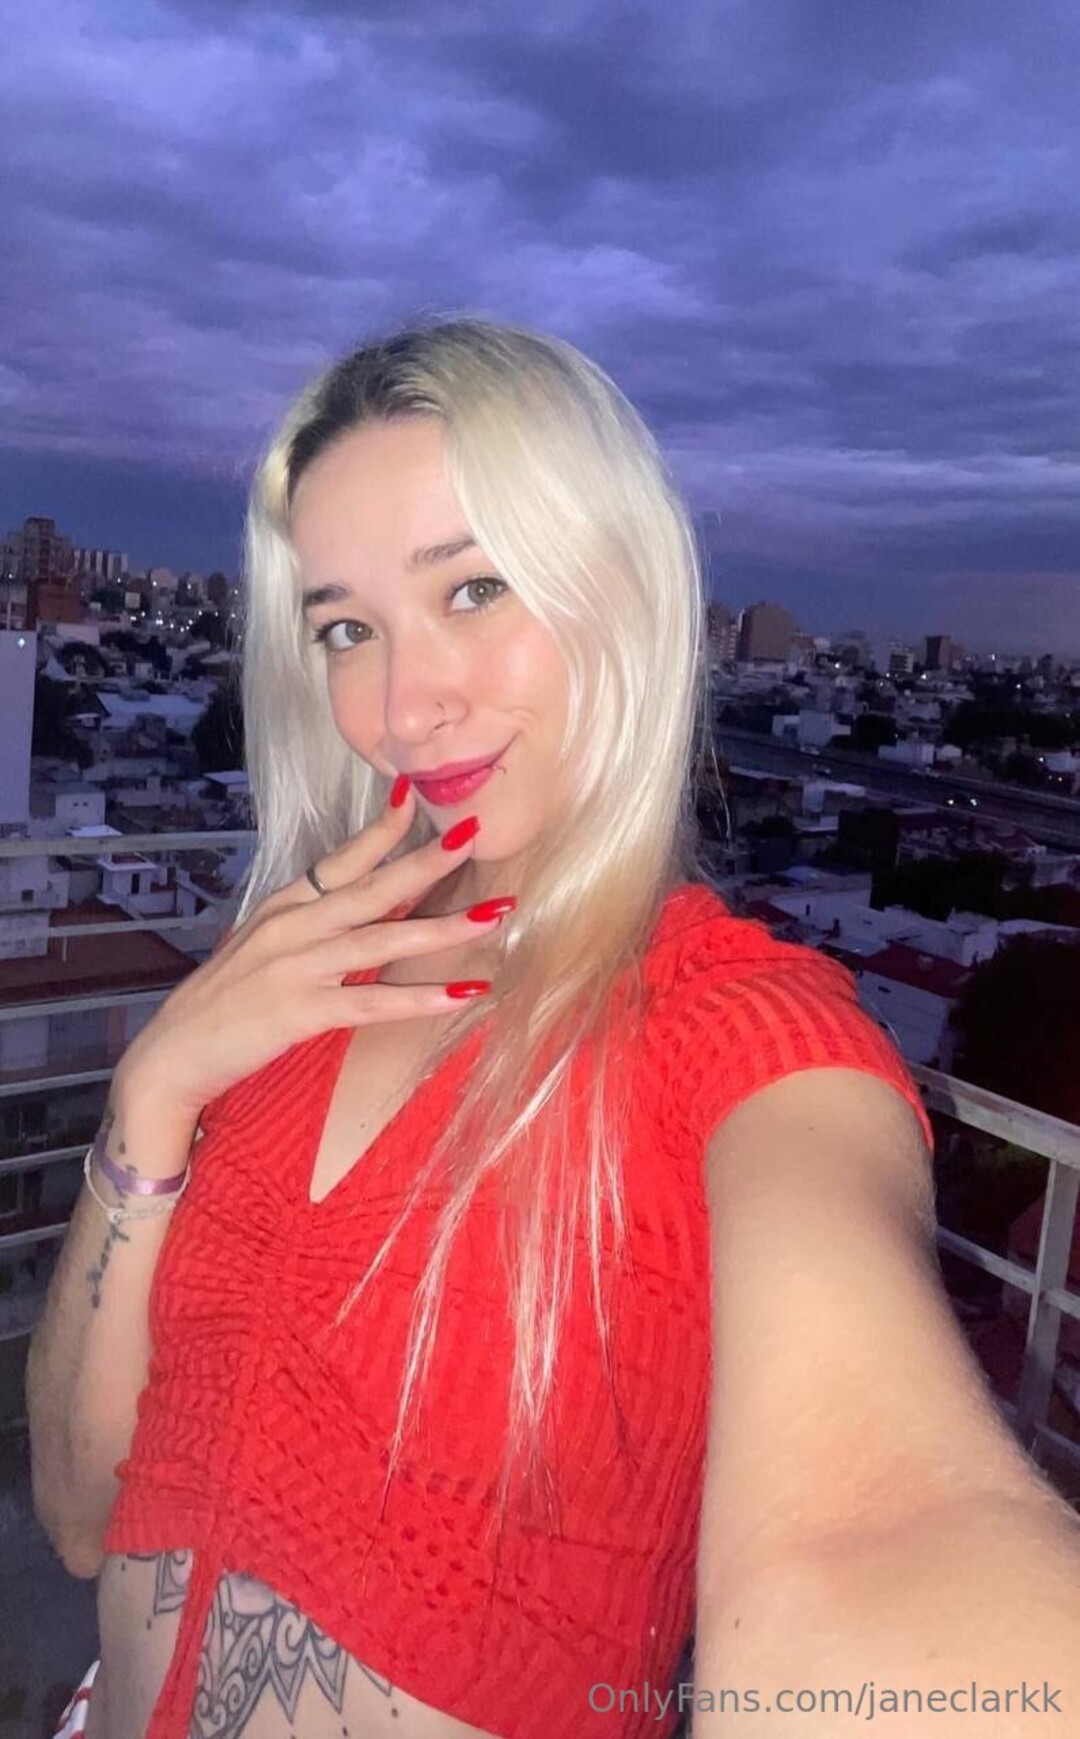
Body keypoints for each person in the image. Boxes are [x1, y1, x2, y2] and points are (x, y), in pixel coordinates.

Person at [27, 317, 1080, 1739]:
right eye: (347, 629)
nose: (405, 707)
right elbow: (79, 1514)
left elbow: (879, 1538)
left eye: (476, 589)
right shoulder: (281, 979)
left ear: (623, 592)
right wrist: (153, 1095)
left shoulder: (734, 1032)